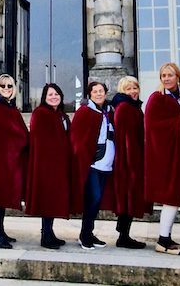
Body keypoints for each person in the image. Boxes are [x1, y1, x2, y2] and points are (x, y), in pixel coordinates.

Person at [144, 63, 180, 255]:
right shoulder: (157, 98)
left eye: (170, 75)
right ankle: (163, 240)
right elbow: (152, 126)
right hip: (165, 154)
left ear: (178, 77)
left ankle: (167, 237)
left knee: (176, 196)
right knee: (171, 196)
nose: (166, 78)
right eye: (163, 75)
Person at [0, 74, 29, 249]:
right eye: (2, 86)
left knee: (2, 197)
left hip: (7, 158)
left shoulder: (8, 106)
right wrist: (24, 139)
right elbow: (12, 132)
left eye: (9, 86)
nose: (6, 89)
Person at [71, 81, 115, 250]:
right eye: (95, 91)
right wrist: (86, 156)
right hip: (93, 163)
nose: (98, 94)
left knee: (97, 201)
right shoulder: (85, 112)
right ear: (89, 94)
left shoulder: (108, 111)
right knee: (93, 198)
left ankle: (89, 232)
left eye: (101, 91)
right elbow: (77, 138)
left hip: (107, 163)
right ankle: (84, 234)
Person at [26, 83, 71, 249]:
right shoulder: (40, 114)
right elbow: (39, 140)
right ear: (44, 98)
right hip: (46, 165)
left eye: (56, 94)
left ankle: (50, 232)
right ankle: (45, 236)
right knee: (47, 200)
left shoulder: (61, 115)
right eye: (50, 94)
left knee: (53, 200)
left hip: (59, 165)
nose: (54, 97)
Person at [111, 76, 150, 249]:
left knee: (130, 198)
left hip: (132, 158)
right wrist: (133, 163)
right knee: (128, 197)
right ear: (122, 91)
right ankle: (123, 236)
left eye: (135, 87)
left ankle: (124, 234)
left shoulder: (132, 106)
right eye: (129, 89)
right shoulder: (125, 108)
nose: (133, 91)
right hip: (128, 161)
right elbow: (126, 138)